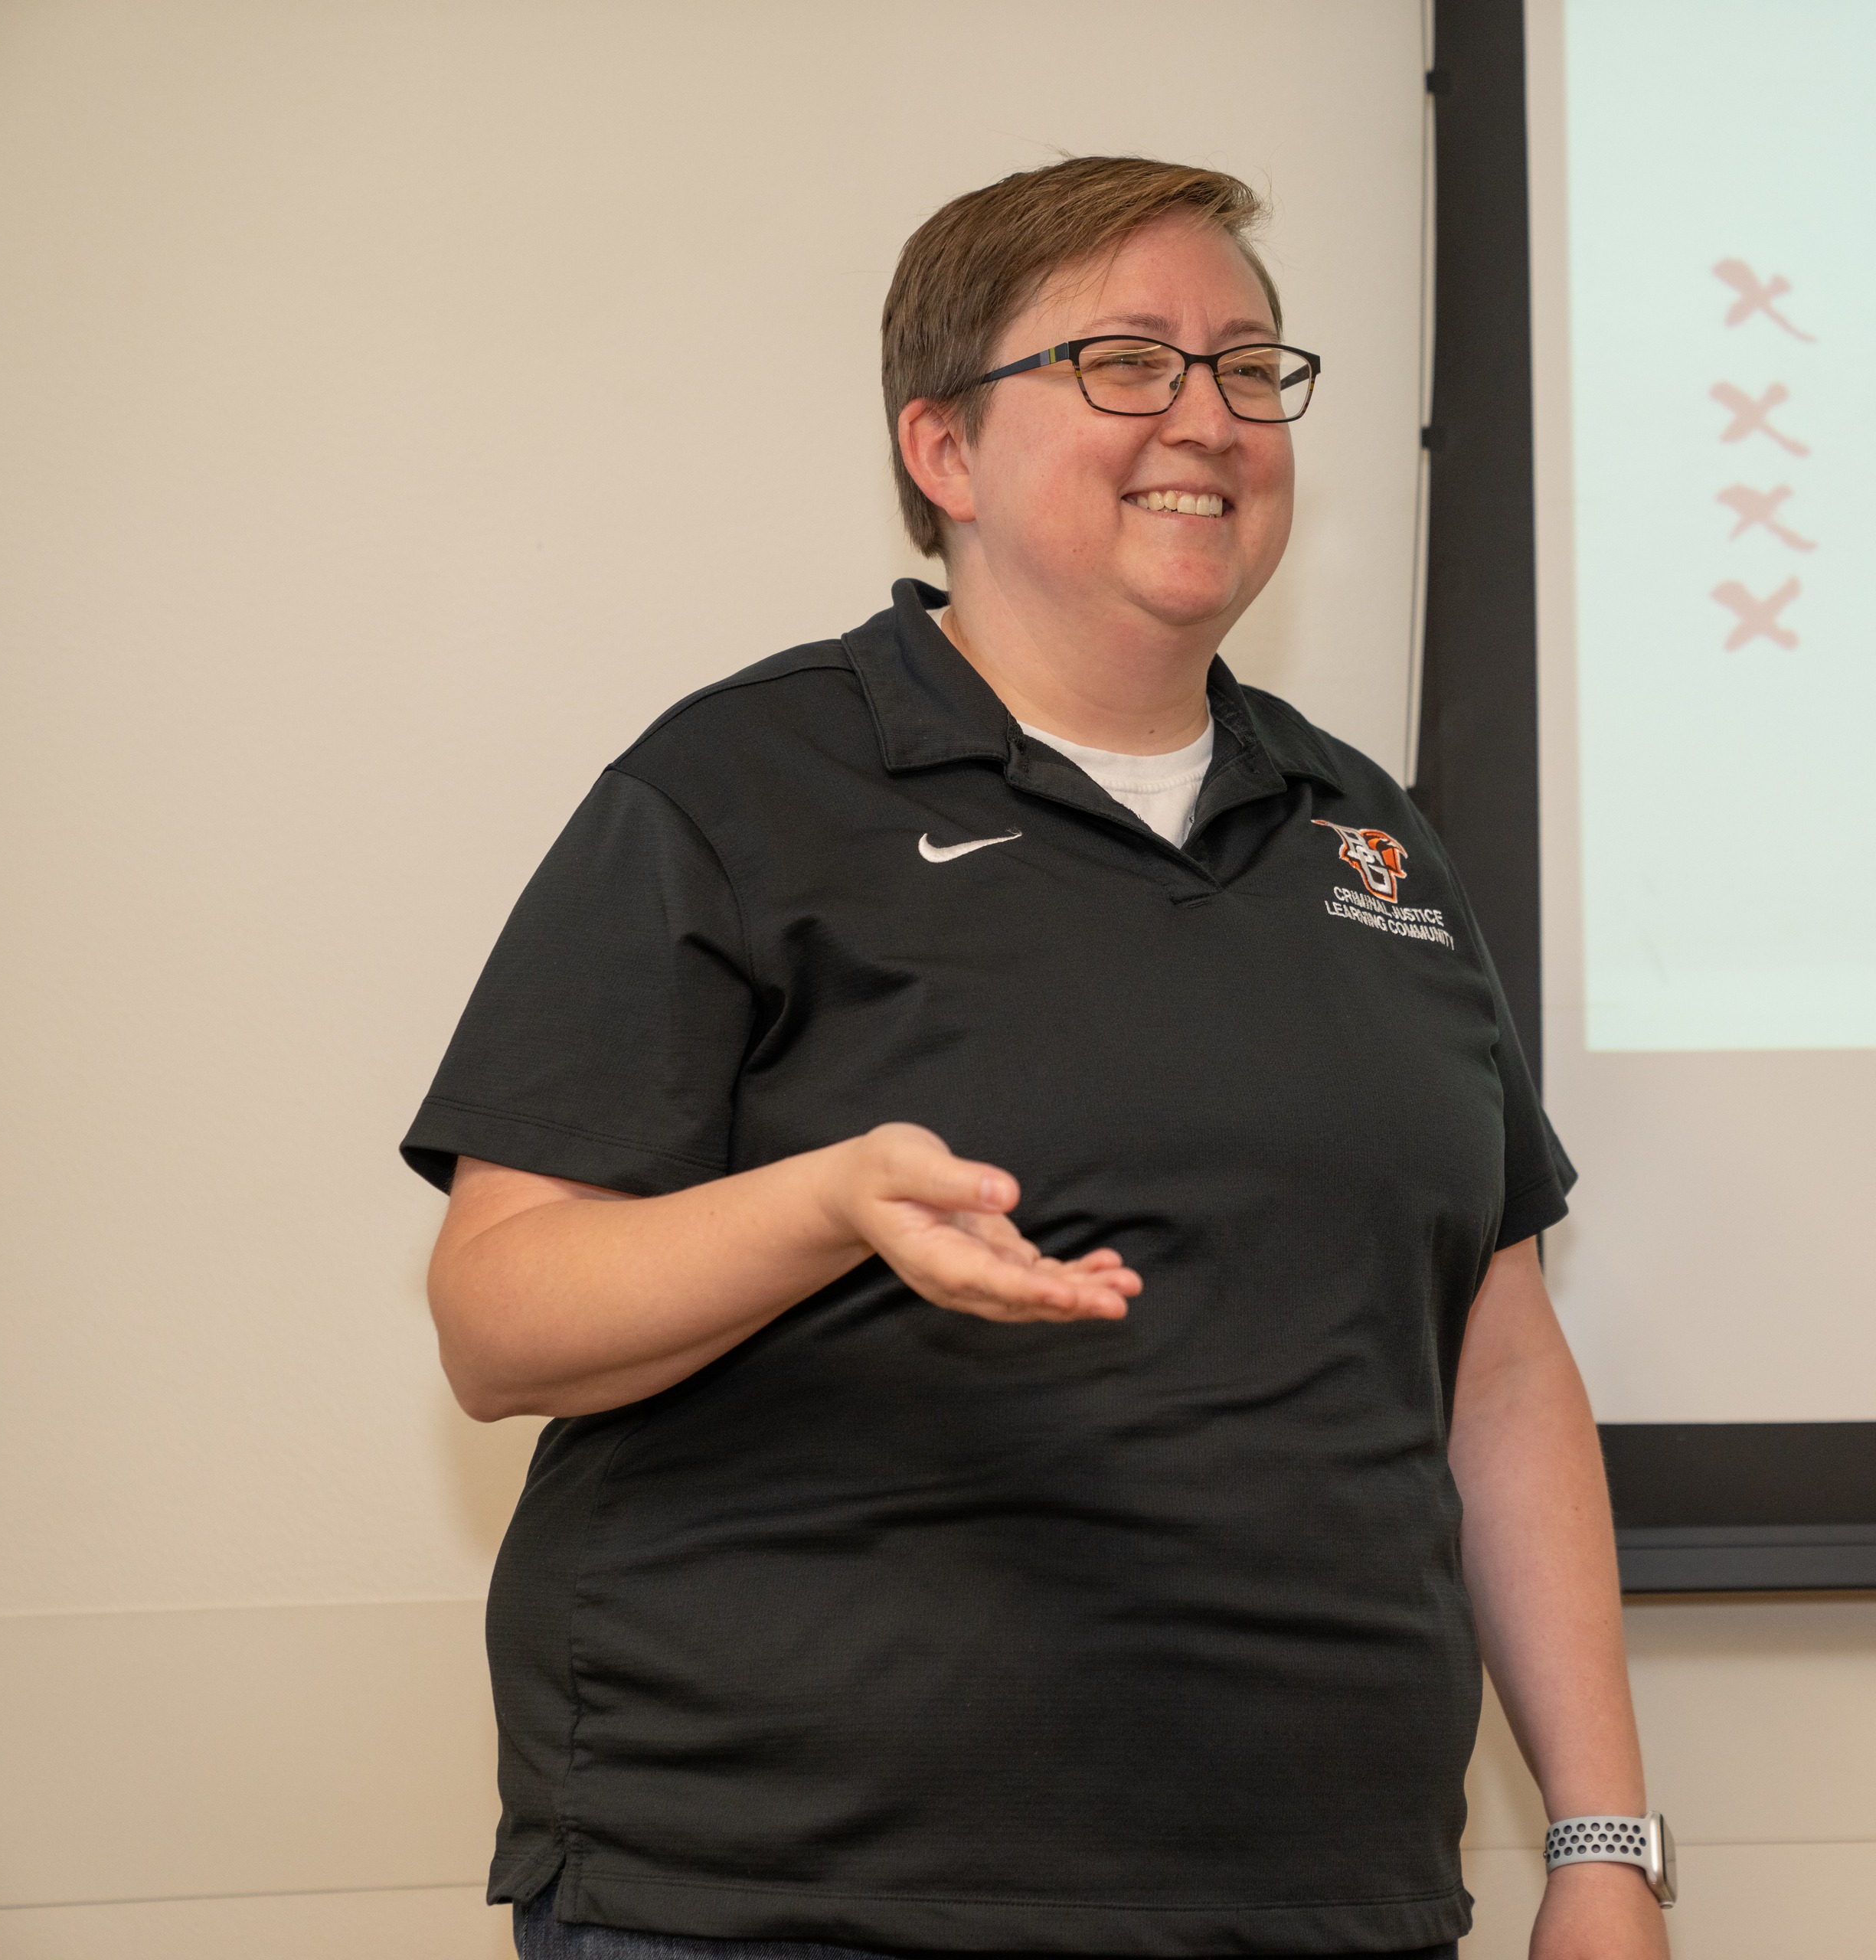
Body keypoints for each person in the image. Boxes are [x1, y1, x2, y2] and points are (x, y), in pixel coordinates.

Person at [404, 155, 1667, 1960]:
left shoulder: (1371, 839)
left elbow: (1500, 1357)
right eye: (1128, 363)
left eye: (1251, 365)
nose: (1211, 419)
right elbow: (495, 1314)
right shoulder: (739, 788)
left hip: (1318, 1899)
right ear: (944, 451)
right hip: (788, 1899)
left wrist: (1602, 1841)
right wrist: (827, 1201)